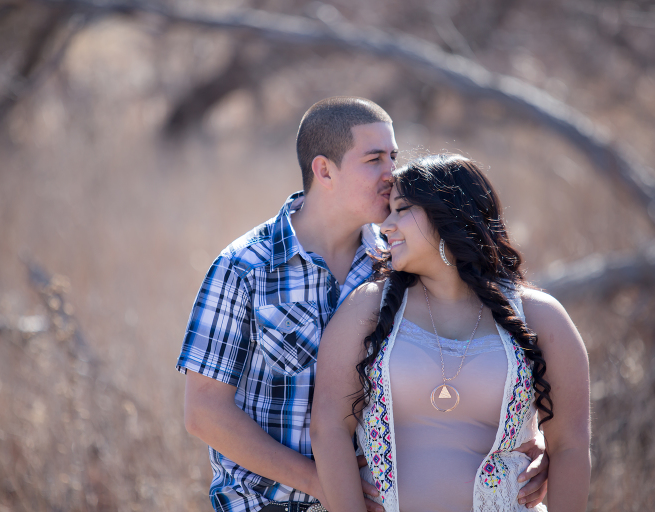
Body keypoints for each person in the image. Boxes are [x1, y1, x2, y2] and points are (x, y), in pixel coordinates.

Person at [176, 98, 550, 512]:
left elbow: (464, 367)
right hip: (269, 504)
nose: (391, 173)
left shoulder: (397, 262)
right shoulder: (244, 268)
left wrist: (527, 445)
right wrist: (326, 485)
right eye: (373, 159)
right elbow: (204, 412)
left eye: (393, 155)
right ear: (324, 170)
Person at [311, 154, 591, 511]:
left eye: (402, 209)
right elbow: (328, 427)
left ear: (448, 215)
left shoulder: (540, 317)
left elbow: (570, 446)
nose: (386, 225)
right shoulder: (367, 308)